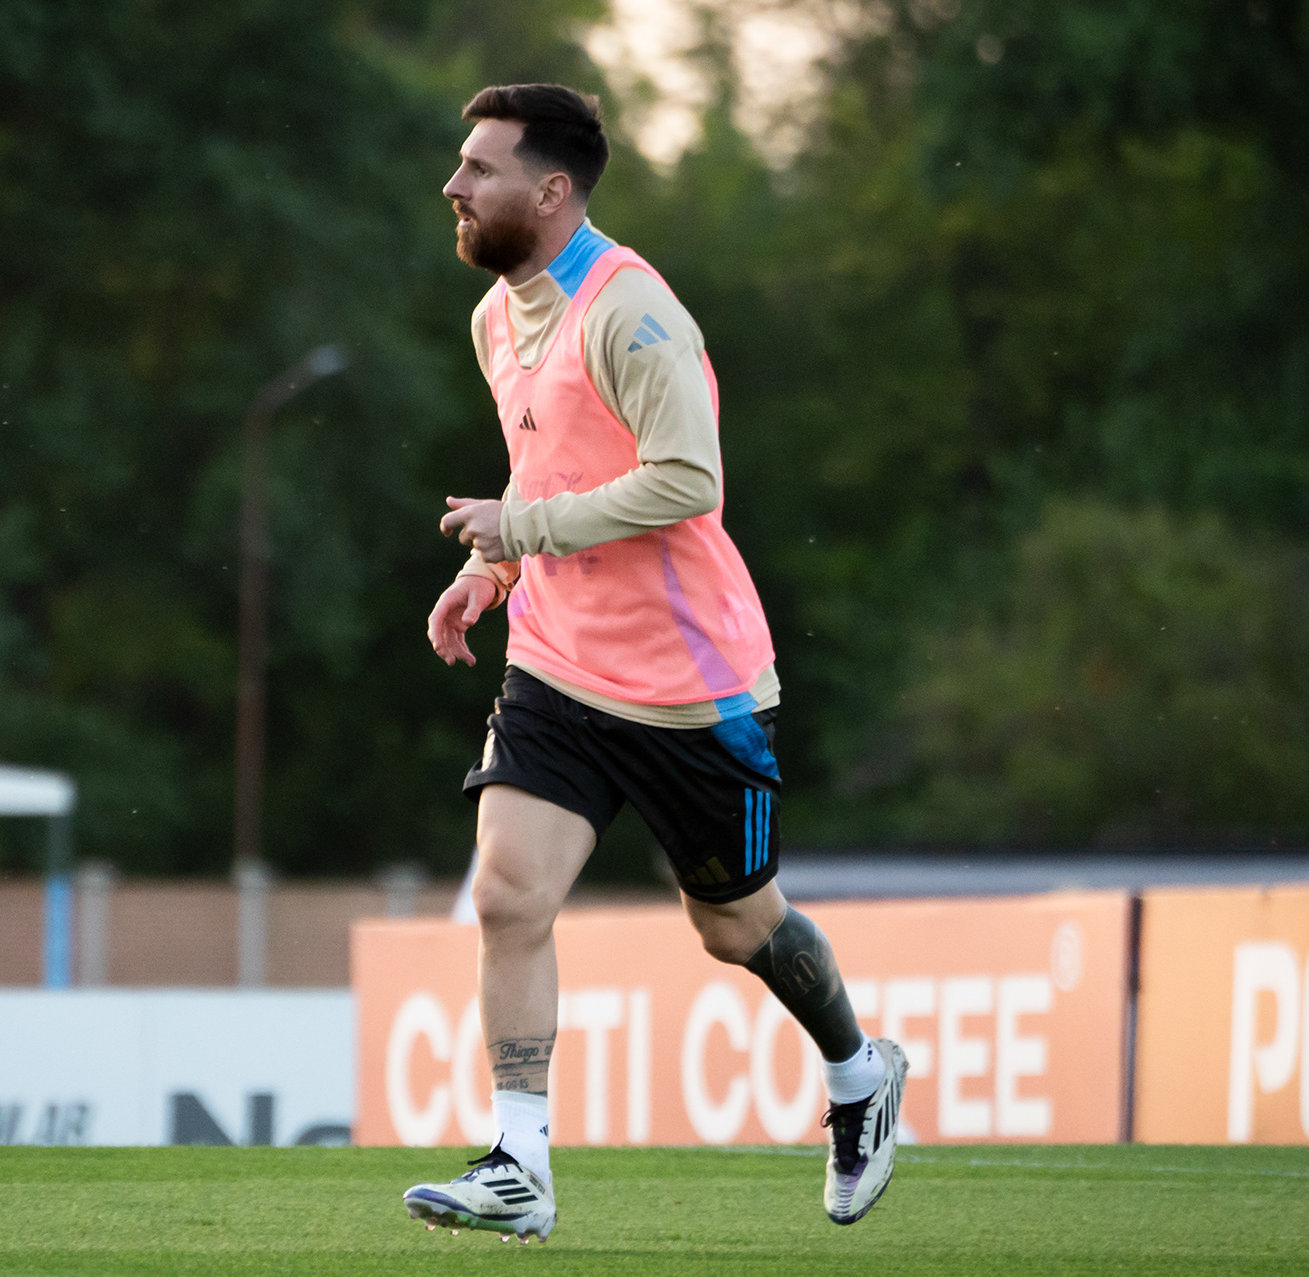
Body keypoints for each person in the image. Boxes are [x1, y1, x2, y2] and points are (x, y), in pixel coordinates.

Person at [401, 84, 906, 1244]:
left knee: (733, 926)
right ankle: (519, 1158)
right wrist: (497, 572)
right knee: (508, 891)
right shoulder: (496, 315)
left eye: (478, 168)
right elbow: (548, 474)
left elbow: (689, 482)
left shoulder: (631, 313)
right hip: (556, 669)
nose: (454, 186)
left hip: (691, 688)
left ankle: (858, 1068)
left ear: (551, 189)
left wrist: (518, 531)